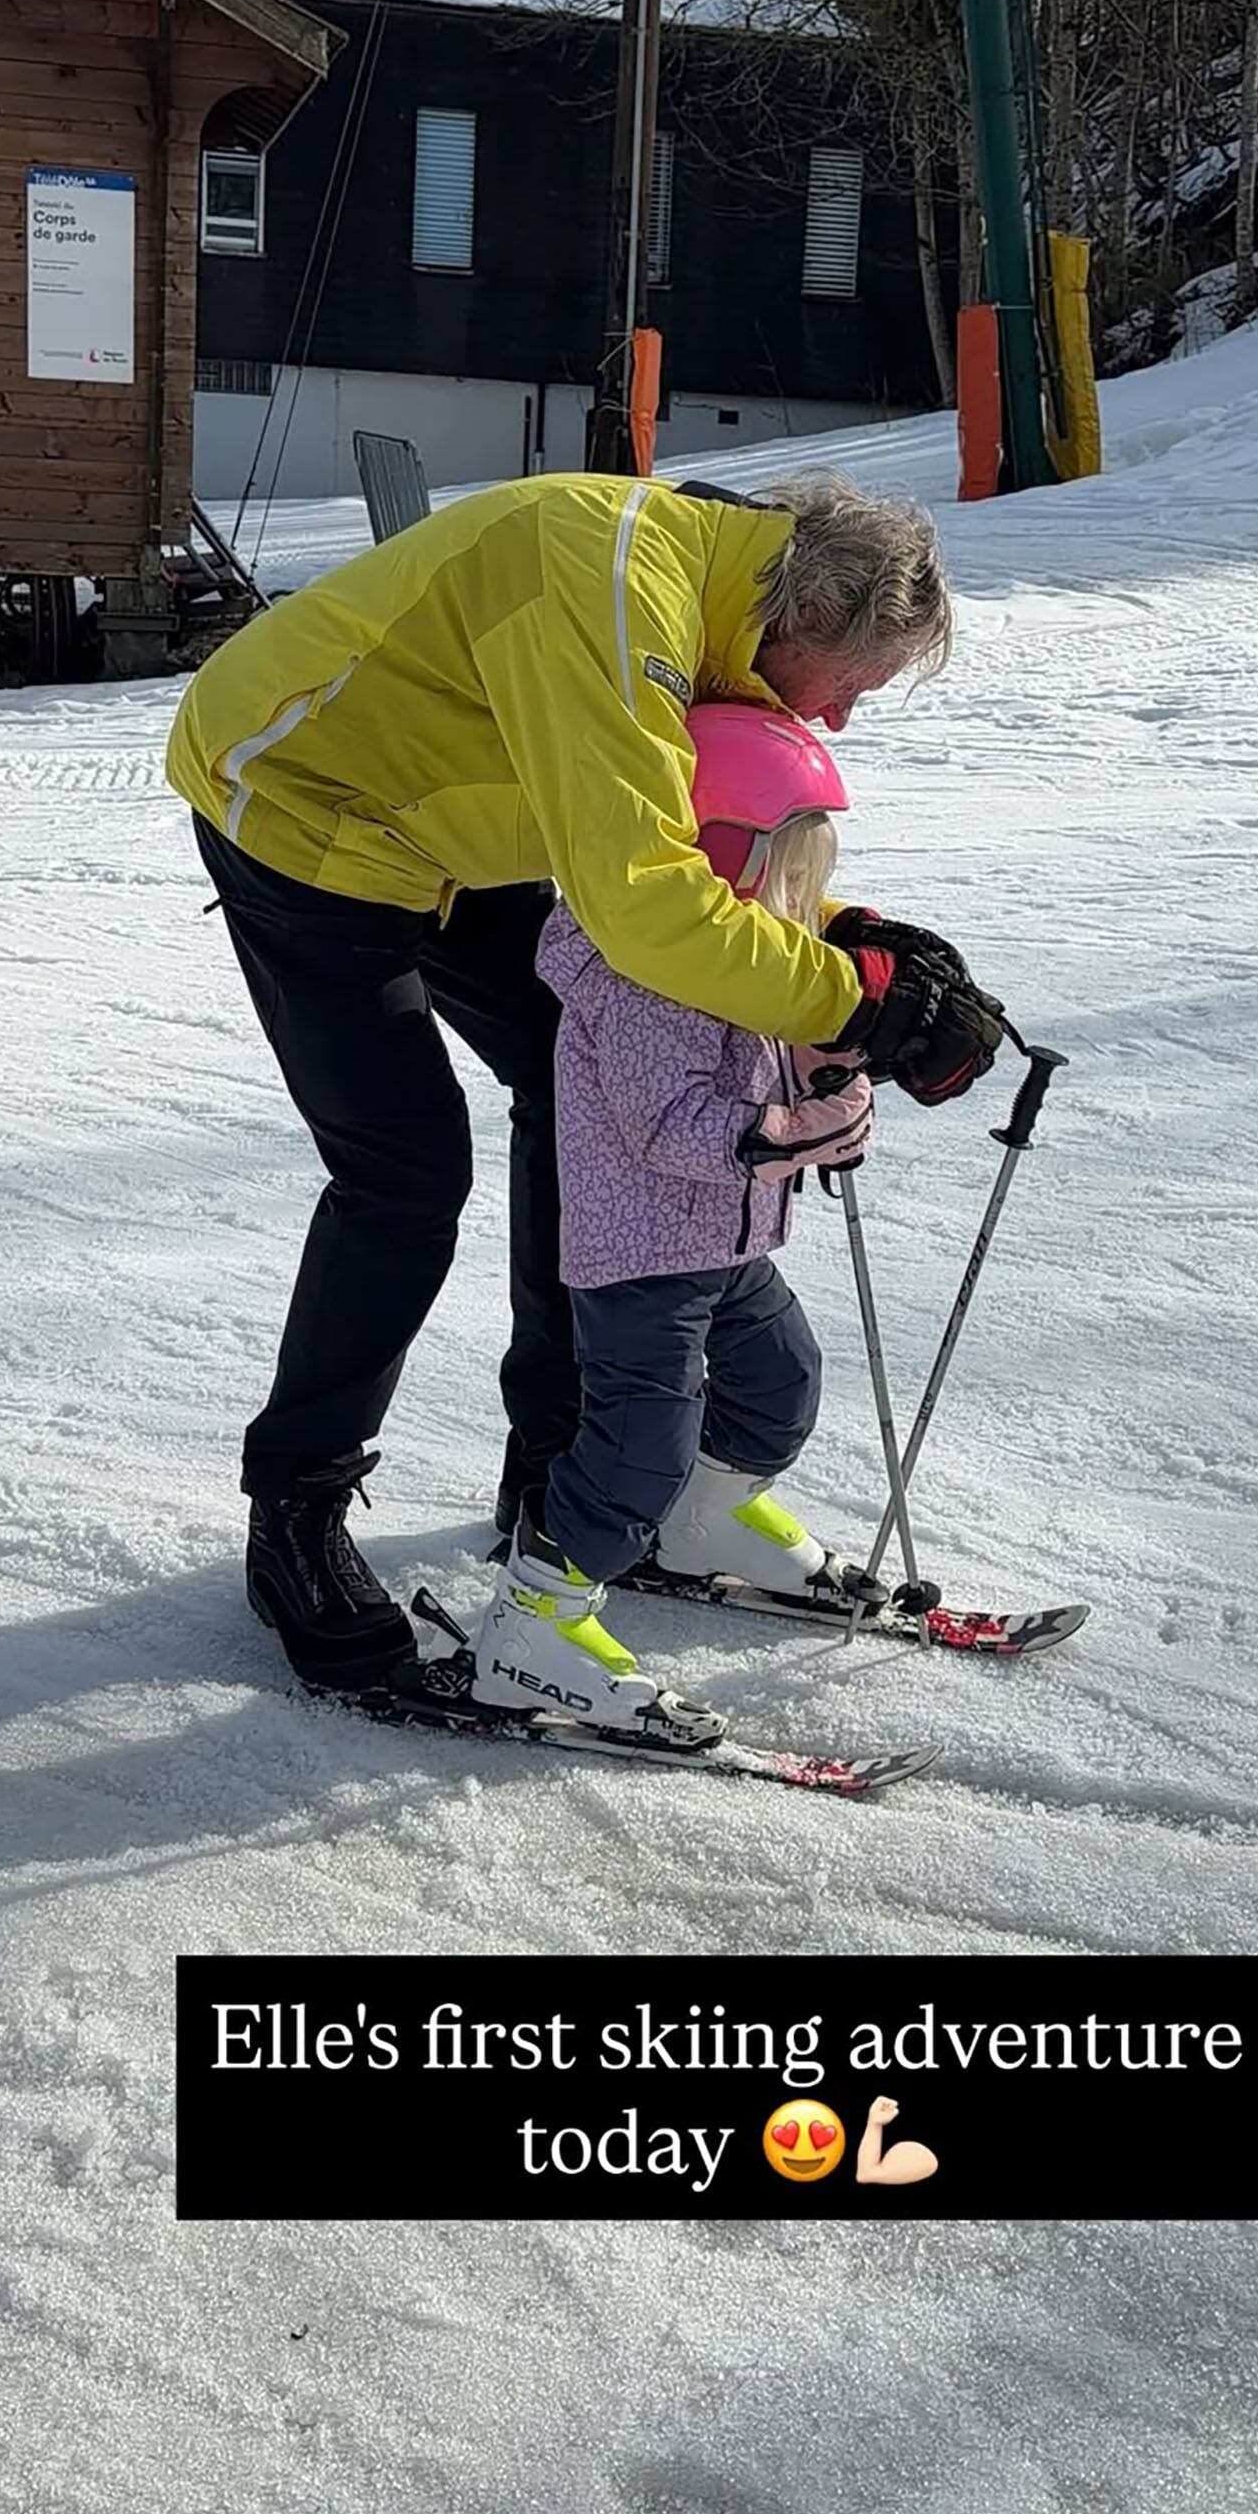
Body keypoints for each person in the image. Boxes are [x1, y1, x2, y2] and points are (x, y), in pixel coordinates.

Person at [165, 463, 1004, 1711]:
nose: (834, 721)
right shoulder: (616, 588)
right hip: (303, 803)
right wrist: (852, 1003)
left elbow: (689, 847)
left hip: (465, 828)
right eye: (851, 688)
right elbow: (647, 908)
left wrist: (853, 938)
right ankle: (295, 1512)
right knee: (405, 1172)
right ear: (812, 615)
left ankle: (558, 1475)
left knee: (583, 1083)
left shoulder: (727, 614)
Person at [474, 702, 886, 1747]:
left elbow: (763, 1059)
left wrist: (828, 1071)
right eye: (791, 882)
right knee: (636, 1453)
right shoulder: (644, 972)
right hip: (642, 1253)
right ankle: (533, 1621)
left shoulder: (723, 952)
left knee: (782, 1381)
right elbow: (669, 1124)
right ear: (723, 859)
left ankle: (706, 1522)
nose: (797, 911)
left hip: (725, 1240)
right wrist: (789, 1132)